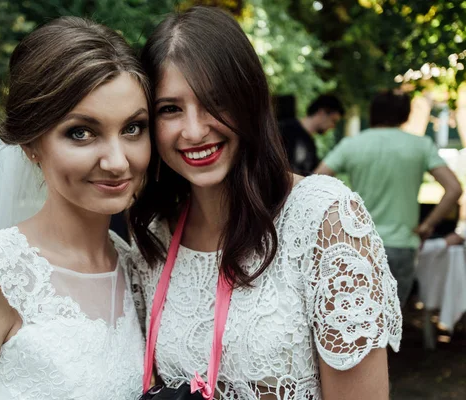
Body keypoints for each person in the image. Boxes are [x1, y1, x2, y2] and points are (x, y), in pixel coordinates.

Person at [128, 6, 401, 400]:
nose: (193, 130)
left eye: (214, 101)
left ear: (249, 100)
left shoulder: (324, 219)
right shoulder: (154, 237)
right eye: (170, 109)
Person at [0, 17, 150, 399]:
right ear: (31, 144)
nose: (117, 161)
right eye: (81, 132)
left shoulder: (132, 265)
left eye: (132, 128)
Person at [315, 89, 463, 307]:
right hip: (402, 245)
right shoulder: (421, 145)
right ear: (405, 114)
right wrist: (427, 225)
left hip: (358, 243)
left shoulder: (352, 144)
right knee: (392, 321)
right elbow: (454, 189)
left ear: (374, 112)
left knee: (356, 319)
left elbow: (315, 182)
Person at [279, 94, 344, 175]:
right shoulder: (285, 129)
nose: (333, 126)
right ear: (322, 112)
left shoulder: (310, 144)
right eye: (333, 120)